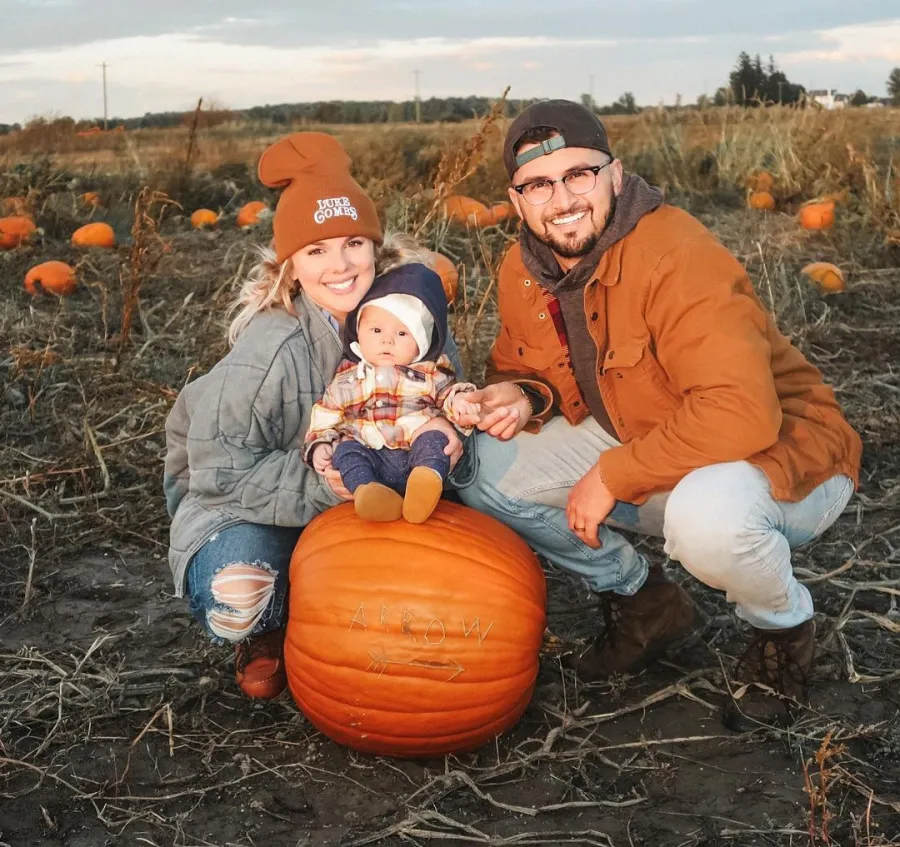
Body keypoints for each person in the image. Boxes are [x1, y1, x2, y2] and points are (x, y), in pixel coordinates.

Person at [457, 100, 862, 724]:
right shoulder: (524, 266)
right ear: (516, 201)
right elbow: (525, 365)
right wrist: (525, 393)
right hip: (653, 440)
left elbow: (742, 413)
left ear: (615, 176)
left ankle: (783, 631)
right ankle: (646, 603)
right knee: (479, 468)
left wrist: (612, 476)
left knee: (711, 518)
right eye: (538, 184)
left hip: (784, 454)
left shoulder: (677, 254)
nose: (561, 199)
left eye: (578, 175)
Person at [163, 132, 465, 700]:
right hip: (245, 504)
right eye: (317, 250)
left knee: (438, 568)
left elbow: (448, 388)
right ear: (291, 264)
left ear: (377, 248)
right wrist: (330, 481)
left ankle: (343, 600)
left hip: (382, 490)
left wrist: (451, 424)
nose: (341, 265)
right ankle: (271, 626)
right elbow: (219, 472)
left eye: (354, 242)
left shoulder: (410, 317)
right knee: (239, 593)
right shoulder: (269, 350)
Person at [305, 263, 478, 524]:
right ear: (359, 333)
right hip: (369, 450)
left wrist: (461, 403)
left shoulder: (430, 373)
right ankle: (369, 492)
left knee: (435, 439)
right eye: (376, 331)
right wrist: (320, 444)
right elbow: (325, 416)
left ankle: (425, 482)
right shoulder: (347, 379)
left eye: (401, 333)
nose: (387, 340)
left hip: (413, 449)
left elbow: (448, 395)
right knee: (346, 451)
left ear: (420, 343)